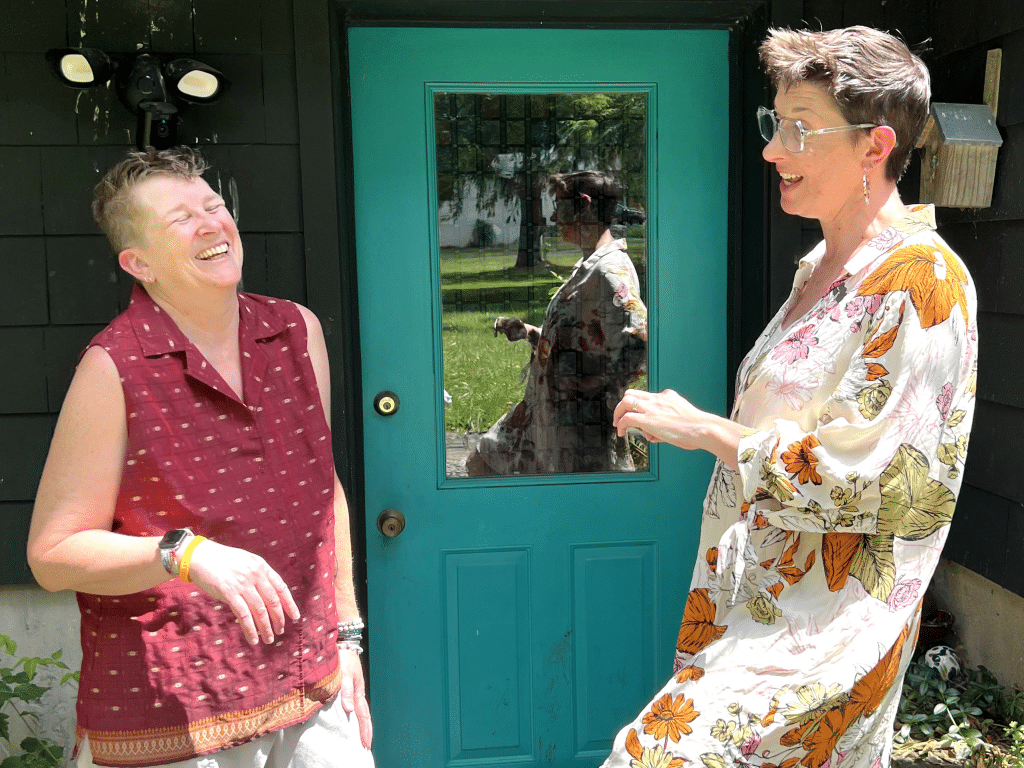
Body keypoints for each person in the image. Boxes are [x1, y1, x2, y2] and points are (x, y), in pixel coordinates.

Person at [602, 26, 978, 768]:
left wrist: (708, 430)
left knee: (648, 759)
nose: (774, 149)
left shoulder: (921, 281)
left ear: (875, 147)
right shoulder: (821, 270)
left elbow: (885, 482)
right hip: (749, 606)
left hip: (824, 636)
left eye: (801, 129)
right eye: (776, 124)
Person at [27, 147, 374, 768]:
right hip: (180, 708)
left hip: (311, 683)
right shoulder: (114, 367)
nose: (213, 223)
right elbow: (53, 555)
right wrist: (185, 554)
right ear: (140, 264)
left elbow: (325, 490)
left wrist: (348, 635)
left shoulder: (298, 330)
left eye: (213, 205)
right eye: (181, 218)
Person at [465, 170, 648, 476]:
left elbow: (638, 344)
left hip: (580, 436)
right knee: (483, 464)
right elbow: (584, 340)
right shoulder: (589, 267)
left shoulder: (610, 271)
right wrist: (531, 333)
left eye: (559, 207)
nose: (551, 217)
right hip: (548, 422)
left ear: (584, 205)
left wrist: (588, 389)